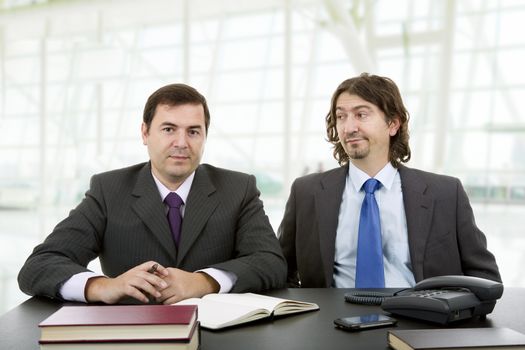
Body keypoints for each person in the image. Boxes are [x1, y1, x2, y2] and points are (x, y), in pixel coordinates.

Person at [18, 83, 287, 304]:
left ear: (205, 137)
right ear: (145, 133)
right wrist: (103, 287)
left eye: (193, 131)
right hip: (132, 336)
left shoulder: (237, 189)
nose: (181, 143)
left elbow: (270, 262)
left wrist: (203, 281)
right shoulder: (109, 190)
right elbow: (40, 265)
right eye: (169, 129)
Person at [278, 73, 501, 288]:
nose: (349, 127)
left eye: (361, 114)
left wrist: (451, 313)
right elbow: (280, 271)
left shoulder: (445, 193)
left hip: (420, 320)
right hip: (333, 322)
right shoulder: (306, 192)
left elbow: (484, 276)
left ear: (393, 124)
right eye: (341, 116)